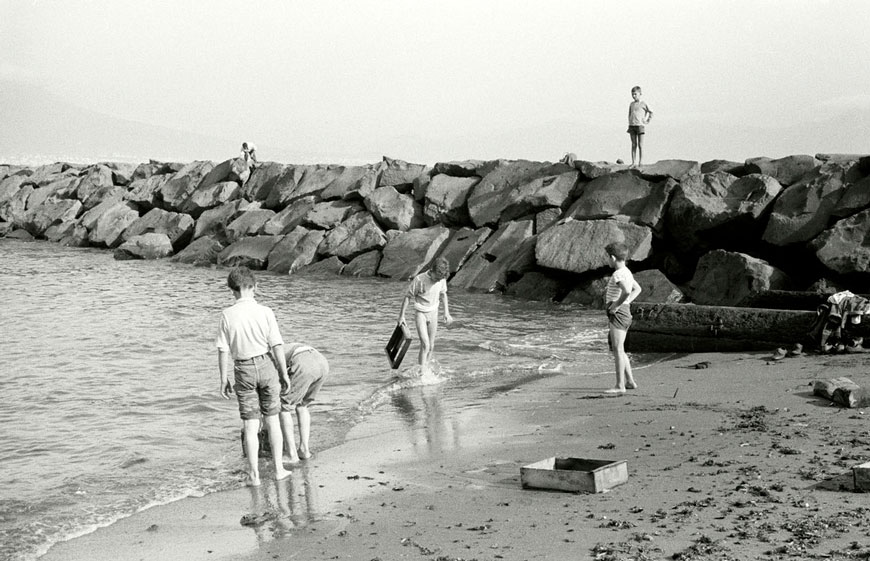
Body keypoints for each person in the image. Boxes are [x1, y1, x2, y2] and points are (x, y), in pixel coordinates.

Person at [216, 266, 292, 486]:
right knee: (272, 420)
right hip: (266, 364)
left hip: (243, 369)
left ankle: (254, 475)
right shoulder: (266, 312)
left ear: (232, 290)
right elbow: (277, 344)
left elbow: (223, 349)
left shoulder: (227, 314)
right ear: (255, 287)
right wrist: (283, 372)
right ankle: (278, 469)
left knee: (250, 425)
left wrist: (223, 378)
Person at [398, 257, 453, 370]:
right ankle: (422, 373)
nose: (437, 281)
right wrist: (401, 316)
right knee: (425, 345)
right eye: (436, 278)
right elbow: (408, 297)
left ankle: (425, 368)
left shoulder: (441, 279)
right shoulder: (419, 279)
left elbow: (443, 295)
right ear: (431, 271)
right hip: (421, 314)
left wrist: (446, 312)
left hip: (434, 313)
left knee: (431, 346)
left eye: (440, 279)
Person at [279, 343, 329, 462]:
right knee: (302, 405)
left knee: (283, 407)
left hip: (304, 363)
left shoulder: (267, 356)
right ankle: (304, 450)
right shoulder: (283, 346)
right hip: (322, 361)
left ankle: (291, 454)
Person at [604, 242, 642, 394]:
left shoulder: (618, 273)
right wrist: (625, 303)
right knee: (621, 349)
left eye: (607, 258)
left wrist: (617, 306)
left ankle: (620, 386)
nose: (607, 261)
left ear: (613, 258)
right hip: (623, 312)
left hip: (619, 314)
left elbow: (626, 290)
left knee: (617, 350)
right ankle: (630, 381)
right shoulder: (627, 271)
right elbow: (637, 289)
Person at [627, 86, 653, 167]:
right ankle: (633, 162)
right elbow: (629, 113)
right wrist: (629, 121)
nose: (634, 96)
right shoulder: (631, 104)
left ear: (640, 93)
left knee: (640, 145)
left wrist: (647, 120)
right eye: (632, 94)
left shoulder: (643, 103)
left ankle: (641, 162)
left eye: (635, 94)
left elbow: (651, 112)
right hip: (632, 125)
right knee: (633, 144)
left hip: (640, 125)